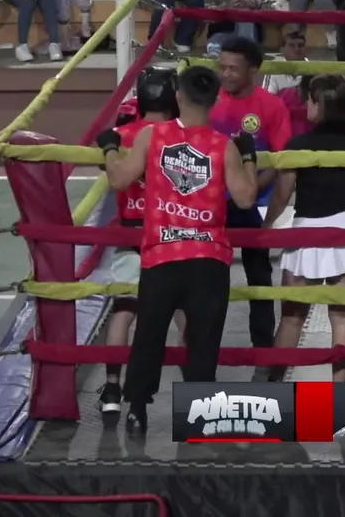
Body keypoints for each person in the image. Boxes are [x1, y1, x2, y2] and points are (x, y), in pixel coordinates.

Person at [96, 65, 258, 433]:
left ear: (179, 97)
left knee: (148, 336)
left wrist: (109, 148)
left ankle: (136, 410)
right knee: (202, 341)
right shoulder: (223, 146)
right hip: (208, 260)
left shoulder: (152, 136)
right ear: (215, 101)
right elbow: (246, 197)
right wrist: (249, 157)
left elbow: (119, 178)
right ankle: (198, 421)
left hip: (162, 256)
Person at [263, 75, 345, 382]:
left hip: (308, 231)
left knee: (292, 317)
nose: (306, 105)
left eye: (311, 100)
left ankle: (274, 390)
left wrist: (265, 226)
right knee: (342, 317)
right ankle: (337, 394)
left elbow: (282, 195)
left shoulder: (299, 145)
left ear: (323, 105)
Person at [96, 68, 182, 418]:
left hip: (132, 231)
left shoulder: (120, 135)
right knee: (184, 312)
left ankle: (112, 388)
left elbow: (109, 173)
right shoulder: (185, 136)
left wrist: (111, 145)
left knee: (124, 311)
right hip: (171, 232)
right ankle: (197, 391)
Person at [209, 37, 293, 356]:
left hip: (251, 205)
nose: (225, 74)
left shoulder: (271, 106)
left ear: (253, 71)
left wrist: (251, 187)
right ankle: (203, 350)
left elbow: (281, 159)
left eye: (233, 69)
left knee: (259, 277)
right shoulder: (207, 101)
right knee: (208, 280)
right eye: (222, 67)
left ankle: (264, 351)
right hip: (208, 204)